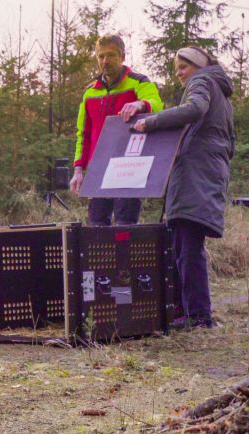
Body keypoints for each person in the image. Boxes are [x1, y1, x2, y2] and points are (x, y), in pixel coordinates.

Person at [132, 46, 235, 330]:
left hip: (195, 175)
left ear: (198, 65)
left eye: (183, 66)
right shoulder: (222, 95)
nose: (178, 73)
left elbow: (193, 109)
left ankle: (198, 315)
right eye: (176, 68)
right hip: (206, 174)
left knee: (188, 245)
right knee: (183, 242)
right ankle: (184, 311)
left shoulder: (202, 82)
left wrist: (150, 122)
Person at [69, 34, 164, 227]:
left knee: (125, 225)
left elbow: (157, 105)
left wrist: (139, 104)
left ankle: (125, 258)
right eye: (101, 56)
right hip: (98, 166)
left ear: (122, 56)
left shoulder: (139, 82)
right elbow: (83, 134)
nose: (105, 61)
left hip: (128, 165)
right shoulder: (90, 93)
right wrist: (78, 169)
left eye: (111, 55)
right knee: (96, 226)